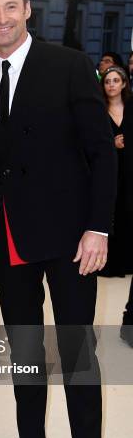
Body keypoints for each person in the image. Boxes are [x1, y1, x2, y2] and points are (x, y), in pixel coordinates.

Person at [0, 0, 117, 438]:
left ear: (27, 10)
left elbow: (102, 153)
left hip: (73, 236)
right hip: (11, 239)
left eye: (10, 7)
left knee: (77, 351)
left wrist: (98, 228)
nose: (1, 18)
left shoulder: (70, 65)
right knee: (24, 348)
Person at [100, 66, 133, 346]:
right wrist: (112, 143)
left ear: (124, 84)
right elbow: (94, 145)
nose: (112, 85)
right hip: (110, 173)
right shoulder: (99, 112)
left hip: (131, 172)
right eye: (108, 81)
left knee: (127, 217)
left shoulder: (132, 108)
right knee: (110, 216)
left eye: (116, 81)